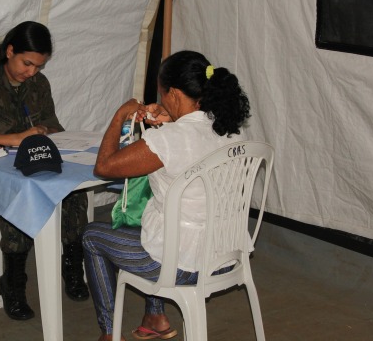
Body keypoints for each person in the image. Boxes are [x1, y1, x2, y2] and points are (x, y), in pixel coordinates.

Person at [82, 50, 251, 341]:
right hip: (225, 253)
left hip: (182, 266)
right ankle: (155, 318)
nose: (160, 100)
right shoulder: (231, 131)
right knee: (149, 222)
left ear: (172, 93)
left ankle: (109, 334)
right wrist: (171, 122)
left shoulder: (169, 140)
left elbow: (105, 166)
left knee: (92, 236)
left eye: (162, 95)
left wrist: (120, 115)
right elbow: (192, 141)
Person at [0, 21, 90, 321]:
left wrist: (44, 130)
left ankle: (72, 265)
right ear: (10, 50)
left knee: (72, 188)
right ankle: (13, 283)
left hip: (26, 157)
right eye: (26, 63)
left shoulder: (38, 85)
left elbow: (54, 124)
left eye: (38, 67)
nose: (31, 72)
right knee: (21, 193)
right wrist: (14, 139)